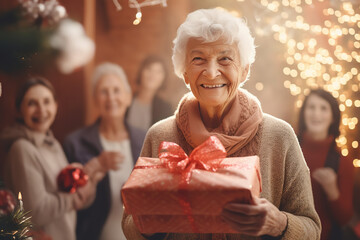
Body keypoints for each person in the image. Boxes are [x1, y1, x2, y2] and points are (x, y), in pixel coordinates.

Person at [122, 8, 321, 240]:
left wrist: (279, 224)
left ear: (245, 69)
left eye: (225, 58)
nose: (212, 72)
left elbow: (312, 228)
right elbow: (129, 222)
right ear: (185, 73)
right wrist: (151, 222)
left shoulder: (279, 136)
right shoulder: (160, 135)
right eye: (198, 59)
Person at [0, 77, 98, 240]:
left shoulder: (53, 144)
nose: (41, 110)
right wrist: (75, 198)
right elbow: (36, 213)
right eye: (32, 103)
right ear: (19, 110)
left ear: (55, 105)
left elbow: (69, 196)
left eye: (47, 102)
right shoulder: (22, 149)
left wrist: (89, 181)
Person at [63, 62, 146, 240]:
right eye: (103, 91)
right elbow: (68, 199)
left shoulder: (146, 138)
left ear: (128, 97)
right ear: (95, 99)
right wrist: (95, 167)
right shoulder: (75, 143)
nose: (111, 97)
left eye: (116, 90)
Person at [298, 88, 354, 240]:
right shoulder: (287, 149)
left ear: (333, 117)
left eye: (323, 108)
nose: (316, 114)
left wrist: (332, 190)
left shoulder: (342, 162)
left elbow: (344, 219)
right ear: (304, 113)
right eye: (311, 107)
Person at [126, 55, 173, 132]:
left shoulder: (166, 109)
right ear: (141, 72)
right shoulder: (125, 101)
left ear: (164, 78)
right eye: (149, 69)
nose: (152, 75)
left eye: (158, 72)